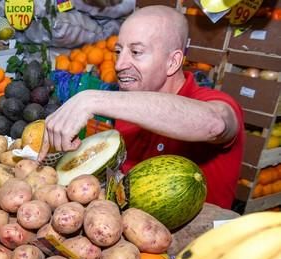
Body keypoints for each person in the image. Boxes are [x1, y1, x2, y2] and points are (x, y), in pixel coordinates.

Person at [39, 5, 244, 209]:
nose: (119, 65)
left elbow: (214, 123)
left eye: (136, 52)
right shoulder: (127, 106)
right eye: (118, 51)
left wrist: (91, 100)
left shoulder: (212, 101)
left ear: (172, 62)